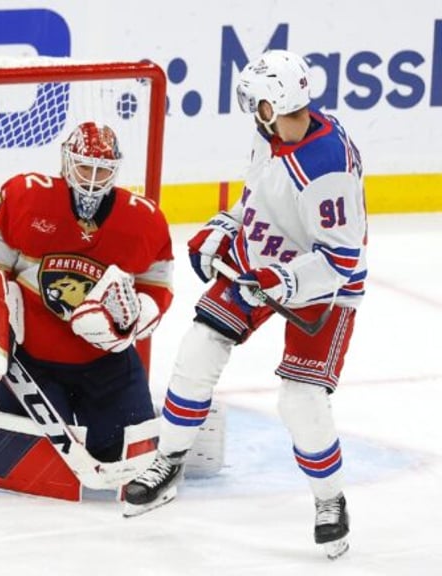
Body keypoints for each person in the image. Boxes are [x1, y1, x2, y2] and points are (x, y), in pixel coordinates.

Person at [123, 49, 367, 560]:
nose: (250, 109)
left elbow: (340, 260)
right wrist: (228, 225)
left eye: (255, 100)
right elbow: (259, 195)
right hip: (262, 263)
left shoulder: (328, 171)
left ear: (274, 103)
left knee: (300, 401)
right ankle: (168, 461)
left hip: (322, 288)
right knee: (198, 349)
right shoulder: (273, 132)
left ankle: (330, 501)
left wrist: (281, 279)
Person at [0, 121, 174, 464]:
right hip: (31, 362)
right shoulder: (27, 197)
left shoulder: (143, 220)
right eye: (85, 167)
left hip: (106, 364)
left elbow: (157, 283)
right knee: (42, 461)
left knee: (126, 456)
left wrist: (132, 319)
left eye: (102, 171)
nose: (91, 179)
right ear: (67, 162)